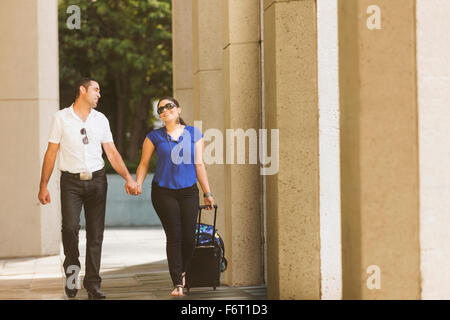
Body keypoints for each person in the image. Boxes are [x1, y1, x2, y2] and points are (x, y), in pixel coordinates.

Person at [38, 78, 138, 300]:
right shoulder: (61, 118)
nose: (99, 94)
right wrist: (43, 185)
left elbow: (111, 152)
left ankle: (93, 284)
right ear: (82, 90)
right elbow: (51, 152)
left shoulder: (100, 119)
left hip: (97, 181)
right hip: (70, 183)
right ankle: (72, 275)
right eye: (96, 90)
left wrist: (128, 179)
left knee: (96, 235)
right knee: (70, 229)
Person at [134, 97, 215, 296]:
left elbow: (199, 165)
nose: (165, 110)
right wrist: (138, 183)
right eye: (161, 109)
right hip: (163, 192)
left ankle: (183, 270)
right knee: (174, 236)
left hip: (188, 191)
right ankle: (177, 282)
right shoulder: (153, 137)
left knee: (189, 238)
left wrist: (208, 193)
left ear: (178, 110)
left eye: (169, 106)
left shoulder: (194, 134)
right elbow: (144, 163)